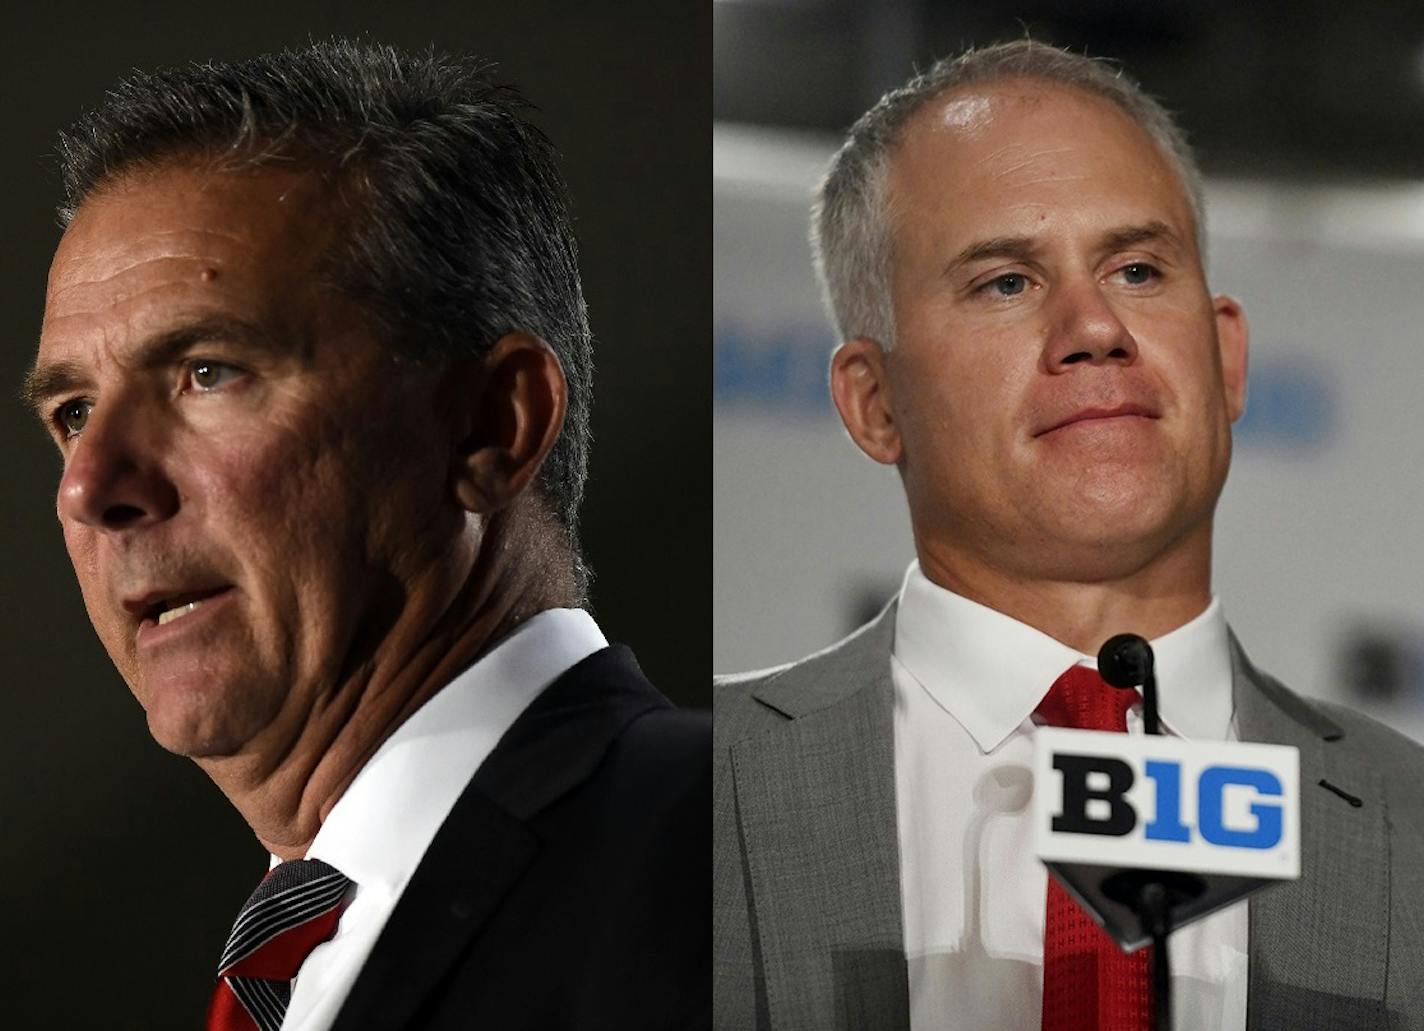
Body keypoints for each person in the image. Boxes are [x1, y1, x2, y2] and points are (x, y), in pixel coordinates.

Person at [713, 39, 1424, 1031]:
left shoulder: (1411, 825)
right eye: (1005, 281)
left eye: (1135, 268)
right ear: (873, 403)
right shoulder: (675, 797)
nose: (1092, 325)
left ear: (1222, 359)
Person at [25, 39, 708, 1031]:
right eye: (74, 411)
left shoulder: (722, 856)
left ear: (489, 424)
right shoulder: (288, 959)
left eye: (207, 370)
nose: (91, 485)